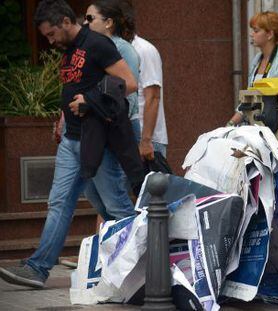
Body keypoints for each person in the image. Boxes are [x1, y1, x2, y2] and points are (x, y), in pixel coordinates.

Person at [0, 0, 138, 289]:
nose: (49, 41)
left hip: (97, 141)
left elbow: (129, 83)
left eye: (51, 34)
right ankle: (38, 268)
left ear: (65, 21)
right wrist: (63, 115)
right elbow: (74, 86)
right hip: (71, 141)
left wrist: (90, 100)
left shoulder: (98, 44)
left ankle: (146, 261)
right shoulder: (70, 50)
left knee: (115, 206)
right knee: (60, 202)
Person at [82, 0, 141, 221]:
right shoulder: (89, 46)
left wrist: (95, 104)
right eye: (84, 18)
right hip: (92, 127)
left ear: (108, 23)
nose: (85, 23)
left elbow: (129, 90)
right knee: (95, 194)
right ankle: (120, 242)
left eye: (90, 18)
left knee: (114, 196)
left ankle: (134, 245)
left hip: (113, 127)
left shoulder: (123, 48)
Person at [227, 11, 278, 127]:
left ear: (269, 34)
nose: (251, 34)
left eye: (256, 31)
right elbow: (247, 101)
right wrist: (230, 124)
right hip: (256, 133)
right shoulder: (256, 60)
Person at [119, 1, 168, 160]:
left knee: (148, 184)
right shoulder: (115, 51)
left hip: (145, 138)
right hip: (125, 135)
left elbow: (153, 96)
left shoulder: (144, 50)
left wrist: (146, 141)